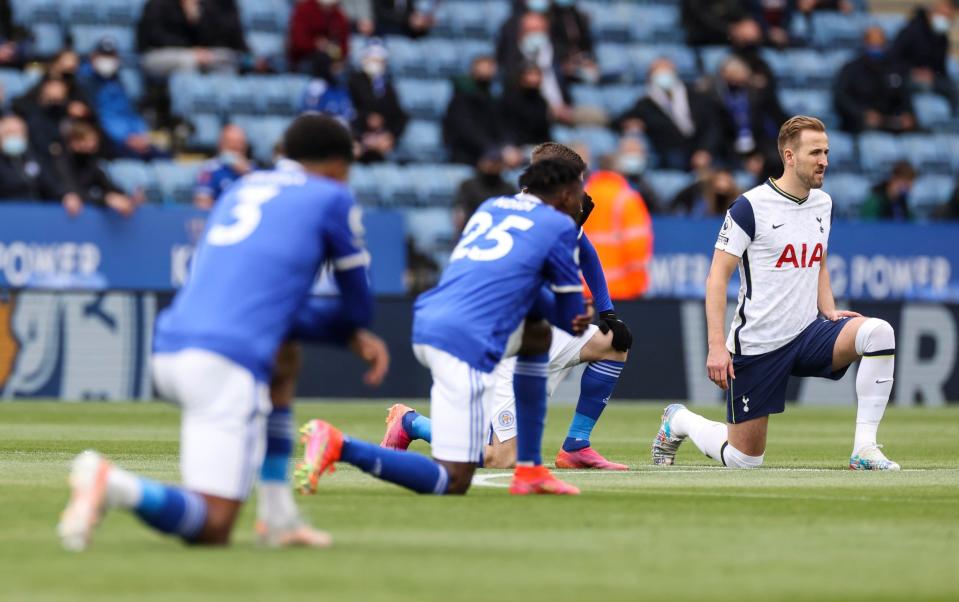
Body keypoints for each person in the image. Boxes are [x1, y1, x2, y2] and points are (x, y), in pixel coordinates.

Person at [57, 114, 389, 550]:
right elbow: (356, 310)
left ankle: (278, 517)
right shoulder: (330, 196)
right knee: (213, 525)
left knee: (284, 359)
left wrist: (315, 328)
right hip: (223, 365)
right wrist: (345, 333)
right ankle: (113, 483)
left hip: (172, 346)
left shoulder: (241, 187)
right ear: (337, 165)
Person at [296, 158, 590, 497]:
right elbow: (569, 316)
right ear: (567, 195)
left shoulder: (491, 207)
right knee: (453, 480)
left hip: (430, 318)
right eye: (581, 191)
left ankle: (530, 470)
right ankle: (339, 444)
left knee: (536, 336)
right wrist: (578, 313)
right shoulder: (559, 226)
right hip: (466, 341)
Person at [652, 115, 900, 471]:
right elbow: (716, 278)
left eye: (826, 152)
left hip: (808, 332)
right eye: (815, 152)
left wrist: (828, 310)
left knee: (879, 333)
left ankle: (864, 449)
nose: (824, 161)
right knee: (744, 460)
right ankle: (679, 420)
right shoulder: (749, 207)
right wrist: (716, 345)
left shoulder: (823, 204)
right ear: (789, 156)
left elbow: (820, 262)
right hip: (760, 343)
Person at [385, 142, 633, 470]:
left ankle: (576, 446)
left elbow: (584, 251)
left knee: (614, 345)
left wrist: (608, 312)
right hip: (498, 341)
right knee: (500, 459)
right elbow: (560, 303)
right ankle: (411, 423)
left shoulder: (500, 207)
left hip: (514, 327)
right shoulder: (554, 221)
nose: (583, 191)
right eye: (578, 182)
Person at [613, 58, 722, 171]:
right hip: (672, 156)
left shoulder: (696, 96)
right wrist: (631, 123)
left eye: (666, 70)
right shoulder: (646, 103)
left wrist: (705, 150)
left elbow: (712, 126)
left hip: (704, 149)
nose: (662, 74)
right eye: (657, 71)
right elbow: (618, 121)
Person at [78, 38, 166, 161]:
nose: (107, 60)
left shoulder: (120, 80)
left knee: (163, 157)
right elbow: (100, 117)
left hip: (134, 138)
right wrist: (125, 138)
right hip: (111, 140)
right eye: (103, 55)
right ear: (93, 57)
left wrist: (140, 134)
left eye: (111, 56)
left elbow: (131, 111)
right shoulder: (85, 81)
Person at [582, 162, 653, 299]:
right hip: (622, 290)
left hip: (584, 289)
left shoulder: (579, 197)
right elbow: (636, 248)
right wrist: (639, 286)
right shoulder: (627, 199)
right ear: (619, 172)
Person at [835, 27, 916, 134]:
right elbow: (842, 98)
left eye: (880, 43)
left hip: (889, 121)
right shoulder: (851, 68)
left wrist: (907, 113)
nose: (876, 47)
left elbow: (904, 95)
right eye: (873, 43)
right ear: (865, 43)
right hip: (860, 122)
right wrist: (862, 114)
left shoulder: (895, 68)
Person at [497, 10, 573, 125]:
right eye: (531, 30)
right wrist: (548, 110)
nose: (535, 35)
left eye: (539, 30)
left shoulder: (559, 54)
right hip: (531, 118)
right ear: (521, 32)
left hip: (565, 111)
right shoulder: (510, 59)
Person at [137, 0, 247, 77]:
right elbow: (154, 37)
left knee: (223, 59)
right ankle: (183, 106)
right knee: (188, 61)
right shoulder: (157, 4)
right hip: (155, 55)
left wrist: (194, 20)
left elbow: (207, 41)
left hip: (192, 53)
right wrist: (190, 50)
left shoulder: (199, 6)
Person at [442, 56, 517, 166]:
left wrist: (507, 146)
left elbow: (501, 125)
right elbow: (466, 129)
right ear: (473, 70)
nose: (487, 71)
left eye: (490, 67)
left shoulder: (492, 97)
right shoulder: (461, 96)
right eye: (483, 67)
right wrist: (493, 149)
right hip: (466, 155)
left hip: (491, 150)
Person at [0, 115, 83, 215]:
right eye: (9, 133)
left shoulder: (32, 157)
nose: (14, 137)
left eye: (18, 133)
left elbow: (49, 183)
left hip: (35, 214)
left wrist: (65, 196)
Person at [57, 121, 137, 217]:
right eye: (86, 140)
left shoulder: (90, 161)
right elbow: (71, 191)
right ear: (74, 142)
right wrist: (105, 199)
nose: (92, 145)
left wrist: (125, 196)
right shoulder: (61, 162)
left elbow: (106, 184)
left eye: (93, 141)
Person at [348, 40, 408, 162]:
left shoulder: (387, 86)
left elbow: (399, 115)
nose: (377, 64)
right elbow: (346, 109)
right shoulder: (353, 82)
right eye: (373, 59)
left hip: (381, 141)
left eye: (380, 60)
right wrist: (365, 121)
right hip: (357, 137)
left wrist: (389, 135)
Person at [890, 1, 956, 108]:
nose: (946, 20)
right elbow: (892, 59)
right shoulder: (911, 31)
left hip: (931, 78)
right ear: (932, 13)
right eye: (943, 15)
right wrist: (912, 72)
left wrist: (935, 75)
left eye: (949, 17)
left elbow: (941, 68)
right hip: (906, 76)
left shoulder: (942, 38)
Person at [452, 149, 517, 233]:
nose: (492, 166)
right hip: (473, 229)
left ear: (502, 165)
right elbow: (460, 208)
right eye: (490, 161)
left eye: (496, 162)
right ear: (481, 162)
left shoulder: (509, 188)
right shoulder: (468, 185)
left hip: (500, 230)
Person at [193, 124, 253, 209]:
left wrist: (248, 173)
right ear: (221, 145)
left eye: (240, 143)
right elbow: (202, 203)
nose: (236, 147)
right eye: (231, 143)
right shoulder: (209, 169)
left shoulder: (254, 170)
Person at [288, 0, 351, 72]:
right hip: (305, 58)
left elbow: (344, 45)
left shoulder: (339, 15)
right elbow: (298, 41)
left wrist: (339, 60)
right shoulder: (304, 10)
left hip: (332, 60)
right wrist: (316, 44)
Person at [501, 63, 553, 147]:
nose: (534, 78)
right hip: (517, 147)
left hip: (539, 146)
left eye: (537, 74)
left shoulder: (541, 101)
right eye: (530, 74)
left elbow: (544, 131)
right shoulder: (510, 100)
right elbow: (507, 128)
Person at [549, 0, 599, 85]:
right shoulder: (551, 17)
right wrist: (566, 58)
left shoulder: (577, 16)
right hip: (561, 62)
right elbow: (553, 43)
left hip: (579, 57)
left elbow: (585, 40)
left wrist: (587, 58)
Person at [614, 134, 660, 212]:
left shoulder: (652, 182)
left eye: (636, 151)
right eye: (628, 151)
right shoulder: (610, 182)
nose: (632, 155)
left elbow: (657, 209)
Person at [670, 167, 740, 217]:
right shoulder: (700, 191)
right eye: (720, 179)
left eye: (726, 180)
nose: (722, 184)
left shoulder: (739, 198)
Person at [680, 0, 746, 46]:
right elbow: (701, 18)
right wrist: (731, 30)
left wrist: (745, 24)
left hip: (733, 43)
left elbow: (738, 12)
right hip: (704, 44)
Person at [372, 0, 436, 38]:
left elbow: (413, 17)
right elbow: (381, 14)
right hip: (385, 34)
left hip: (408, 34)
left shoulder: (409, 2)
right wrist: (408, 19)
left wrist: (422, 22)